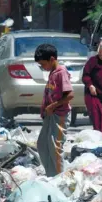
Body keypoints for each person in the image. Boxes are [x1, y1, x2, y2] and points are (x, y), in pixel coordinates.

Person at [35, 44, 74, 177]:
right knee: (42, 144)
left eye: (43, 64)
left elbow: (69, 95)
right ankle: (51, 175)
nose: (42, 67)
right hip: (50, 115)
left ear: (52, 59)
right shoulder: (53, 72)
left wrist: (53, 106)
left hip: (60, 115)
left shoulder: (61, 72)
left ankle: (59, 178)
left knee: (55, 147)